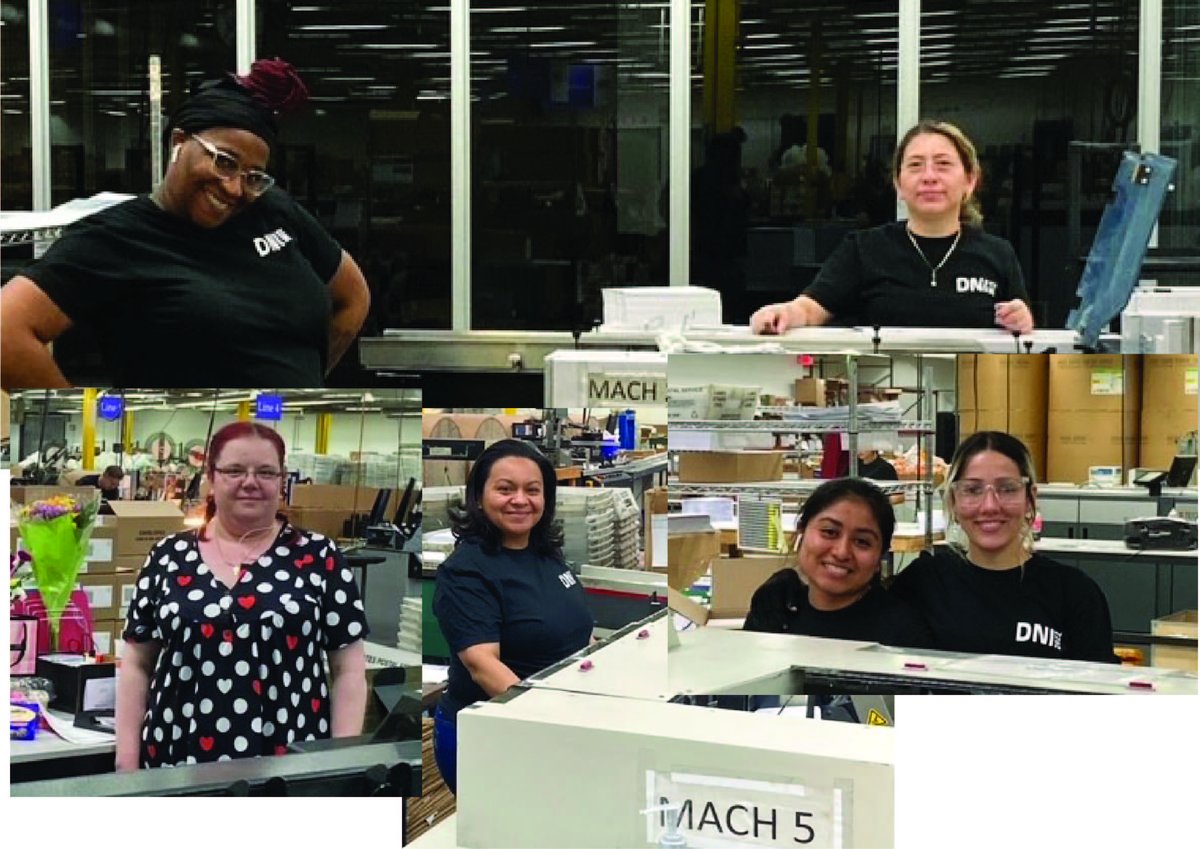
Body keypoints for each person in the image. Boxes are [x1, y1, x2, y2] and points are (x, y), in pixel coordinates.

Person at [1, 58, 370, 389]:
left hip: (290, 440)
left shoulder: (271, 209)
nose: (234, 188)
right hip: (186, 448)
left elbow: (353, 297)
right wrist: (84, 433)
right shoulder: (117, 238)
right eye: (224, 161)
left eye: (253, 175)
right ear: (179, 142)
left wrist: (305, 389)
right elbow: (6, 331)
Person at [115, 422, 369, 770]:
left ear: (282, 481)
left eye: (266, 472)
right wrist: (125, 764)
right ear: (211, 476)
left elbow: (349, 671)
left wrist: (341, 764)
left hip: (288, 754)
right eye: (235, 470)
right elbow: (136, 664)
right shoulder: (168, 556)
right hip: (176, 752)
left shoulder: (320, 556)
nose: (250, 482)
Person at [750, 120, 1034, 334]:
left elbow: (1023, 325)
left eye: (944, 164)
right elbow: (812, 308)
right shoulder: (864, 249)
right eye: (915, 165)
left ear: (970, 181)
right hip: (887, 404)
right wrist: (784, 312)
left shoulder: (998, 253)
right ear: (898, 184)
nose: (929, 177)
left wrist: (1022, 319)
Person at [432, 439, 593, 793]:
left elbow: (574, 633)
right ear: (478, 496)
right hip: (496, 732)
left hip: (560, 721)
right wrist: (554, 721)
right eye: (505, 489)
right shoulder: (466, 572)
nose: (520, 500)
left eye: (532, 490)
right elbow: (483, 666)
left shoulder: (545, 553)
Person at [890, 431, 1118, 663]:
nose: (990, 506)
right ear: (953, 502)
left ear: (1030, 499)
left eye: (1008, 489)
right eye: (972, 490)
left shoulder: (1074, 593)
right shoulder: (924, 584)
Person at [744, 477, 932, 648]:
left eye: (862, 542)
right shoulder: (774, 608)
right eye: (830, 532)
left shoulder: (900, 635)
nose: (842, 552)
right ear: (801, 531)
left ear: (879, 558)